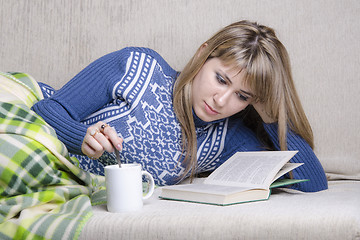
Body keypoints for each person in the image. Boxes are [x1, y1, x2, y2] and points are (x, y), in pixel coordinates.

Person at [32, 20, 328, 191]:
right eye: (221, 80)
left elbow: (311, 183)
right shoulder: (138, 67)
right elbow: (48, 109)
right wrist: (81, 137)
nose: (221, 101)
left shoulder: (227, 138)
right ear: (203, 55)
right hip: (31, 129)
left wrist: (270, 114)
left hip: (67, 185)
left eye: (243, 96)